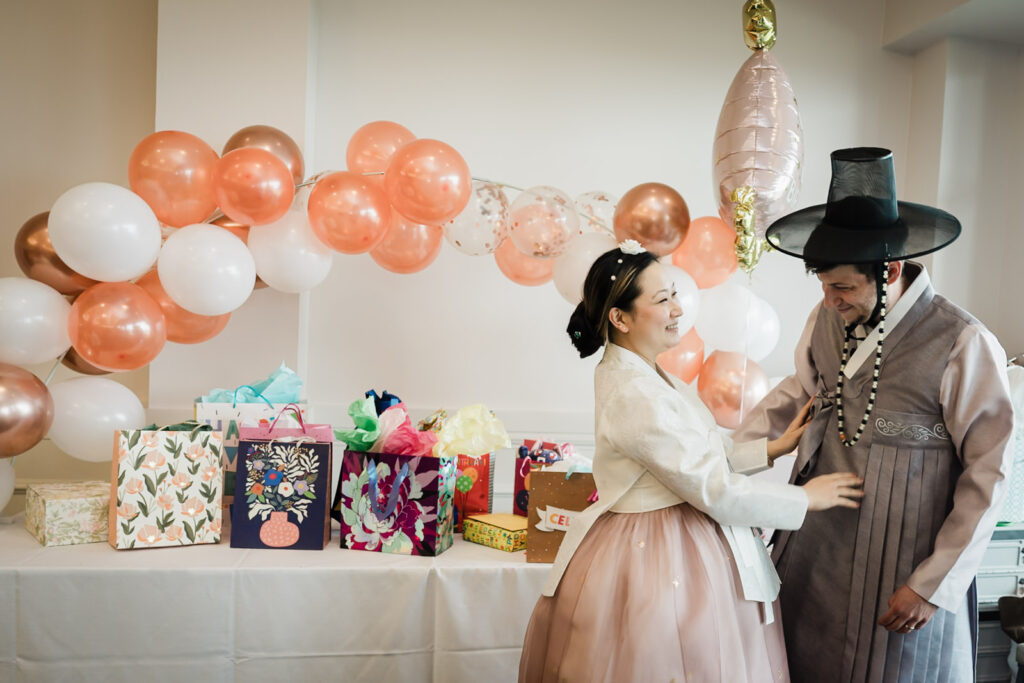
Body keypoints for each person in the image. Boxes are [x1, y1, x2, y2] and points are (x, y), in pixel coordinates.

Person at [518, 240, 864, 682]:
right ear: (620, 318)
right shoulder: (633, 391)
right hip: (655, 551)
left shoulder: (643, 371)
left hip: (676, 532)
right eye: (663, 300)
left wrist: (769, 449)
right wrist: (803, 499)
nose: (679, 309)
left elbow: (688, 456)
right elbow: (710, 488)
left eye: (675, 294)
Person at [734, 147, 1015, 682]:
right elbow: (794, 397)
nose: (830, 300)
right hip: (815, 553)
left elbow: (990, 472)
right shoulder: (827, 317)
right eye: (823, 286)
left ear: (888, 270)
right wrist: (717, 466)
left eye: (842, 287)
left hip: (903, 564)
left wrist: (931, 584)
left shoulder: (962, 341)